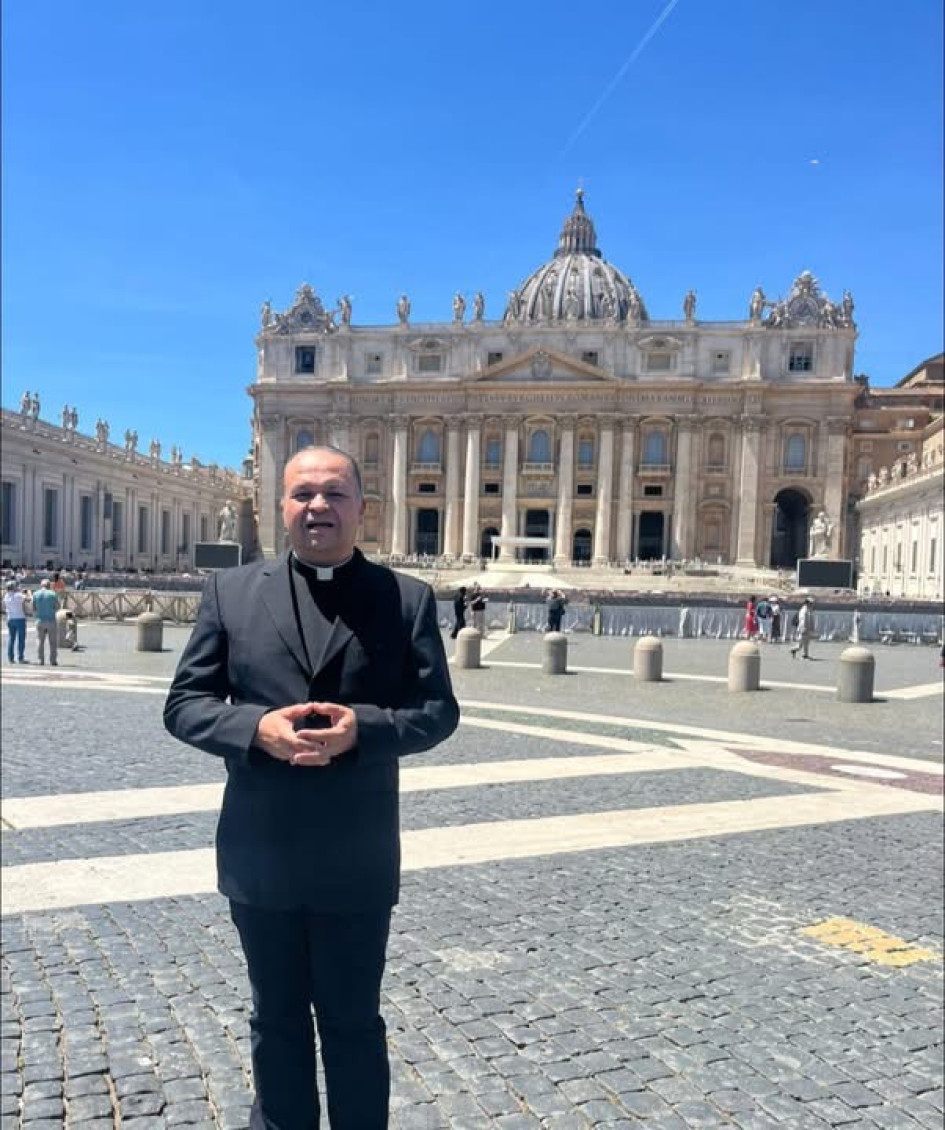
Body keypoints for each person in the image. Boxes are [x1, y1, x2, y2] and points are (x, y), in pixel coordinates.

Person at [164, 445, 459, 1130]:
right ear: (282, 507)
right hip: (259, 851)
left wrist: (367, 731)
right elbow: (183, 703)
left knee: (354, 1023)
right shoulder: (229, 593)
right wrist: (254, 728)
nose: (317, 507)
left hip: (356, 855)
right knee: (275, 1018)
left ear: (362, 507)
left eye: (332, 494)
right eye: (302, 495)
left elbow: (437, 712)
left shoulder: (405, 599)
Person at [31, 578, 59, 666]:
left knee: (40, 640)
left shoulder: (35, 594)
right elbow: (57, 606)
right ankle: (53, 660)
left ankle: (40, 660)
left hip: (40, 620)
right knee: (53, 641)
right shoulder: (52, 594)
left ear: (41, 585)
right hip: (50, 620)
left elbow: (33, 607)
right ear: (49, 585)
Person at [4, 580, 29, 663]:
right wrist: (26, 592)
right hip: (20, 618)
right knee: (21, 639)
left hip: (10, 618)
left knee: (11, 638)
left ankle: (10, 657)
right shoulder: (18, 595)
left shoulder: (6, 596)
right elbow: (28, 599)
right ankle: (20, 657)